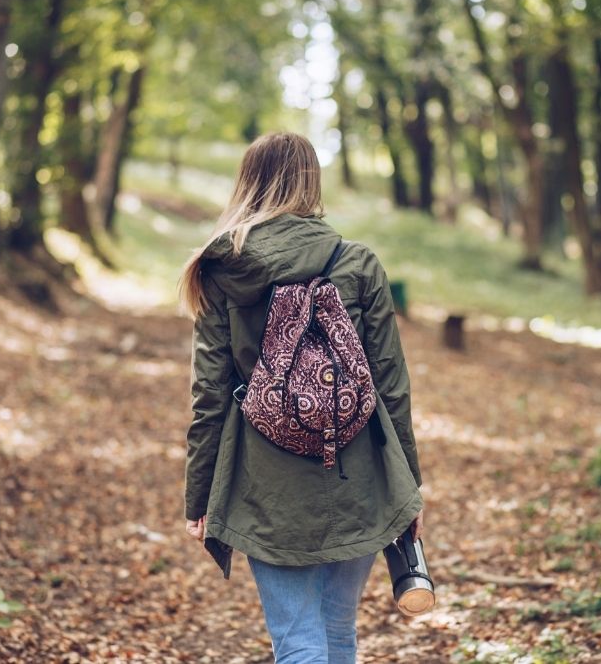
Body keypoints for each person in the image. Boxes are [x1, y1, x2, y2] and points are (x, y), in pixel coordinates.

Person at [179, 132, 424, 664]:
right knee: (338, 632)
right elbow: (392, 385)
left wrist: (199, 497)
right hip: (358, 475)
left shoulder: (224, 271)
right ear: (310, 181)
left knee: (297, 643)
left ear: (248, 184)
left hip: (266, 487)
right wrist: (408, 486)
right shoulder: (358, 264)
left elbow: (210, 396)